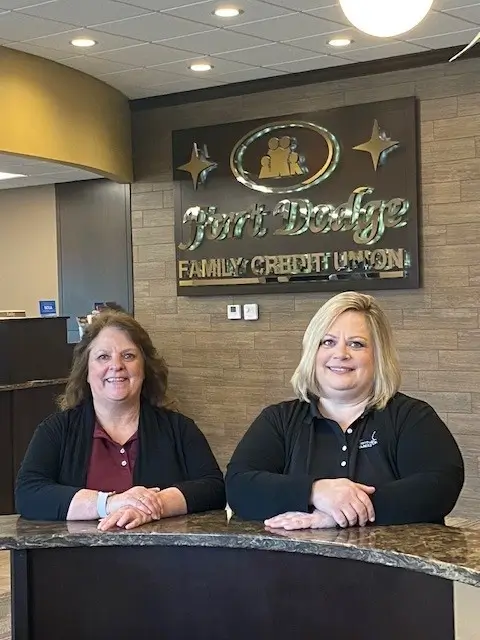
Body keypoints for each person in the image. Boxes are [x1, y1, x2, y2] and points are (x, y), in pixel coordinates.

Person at [226, 292, 464, 531]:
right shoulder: (279, 419)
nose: (340, 354)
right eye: (328, 342)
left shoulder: (412, 417)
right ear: (312, 352)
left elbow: (439, 487)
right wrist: (315, 492)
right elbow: (239, 486)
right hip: (293, 566)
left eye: (356, 344)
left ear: (378, 357)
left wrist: (338, 514)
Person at [16, 311, 225, 531]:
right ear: (86, 371)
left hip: (163, 561)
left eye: (128, 356)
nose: (116, 365)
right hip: (79, 561)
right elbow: (29, 492)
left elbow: (213, 488)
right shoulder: (56, 430)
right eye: (103, 357)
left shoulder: (179, 429)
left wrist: (155, 505)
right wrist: (110, 503)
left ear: (145, 368)